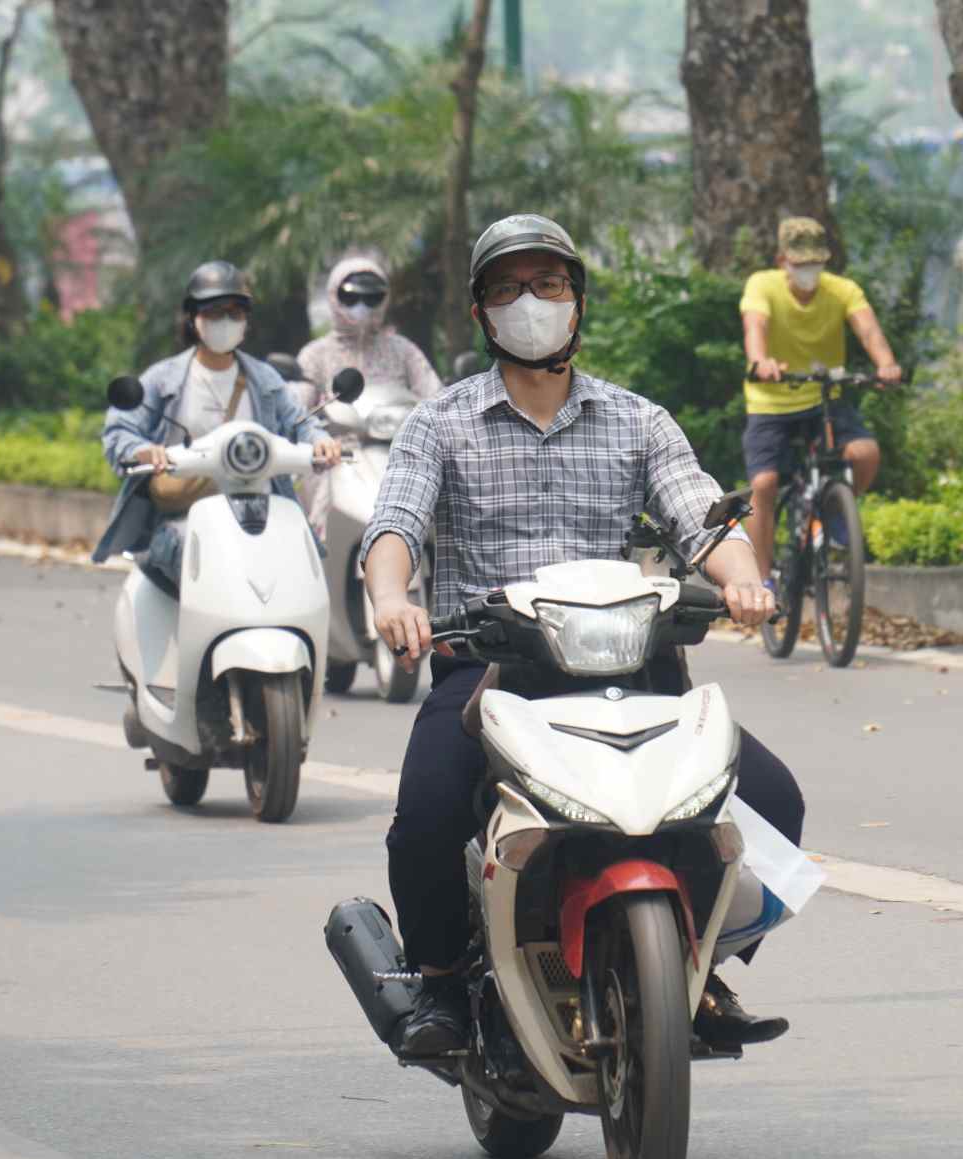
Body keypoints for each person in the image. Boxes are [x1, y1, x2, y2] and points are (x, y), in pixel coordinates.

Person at [362, 213, 803, 1058]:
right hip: (491, 677)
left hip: (631, 669)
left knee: (773, 805)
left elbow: (701, 518)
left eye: (549, 285)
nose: (532, 303)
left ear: (579, 302)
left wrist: (742, 576)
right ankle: (445, 988)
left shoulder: (638, 420)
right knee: (424, 817)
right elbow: (395, 526)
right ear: (482, 313)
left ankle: (699, 965)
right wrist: (392, 597)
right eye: (508, 288)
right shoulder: (440, 423)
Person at [91, 260, 340, 583]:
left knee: (301, 572)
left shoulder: (265, 379)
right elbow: (119, 430)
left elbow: (299, 423)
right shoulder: (162, 379)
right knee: (182, 560)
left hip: (261, 513)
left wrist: (319, 440)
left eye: (235, 313)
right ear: (193, 318)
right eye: (213, 312)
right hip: (184, 518)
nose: (225, 320)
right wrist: (142, 450)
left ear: (246, 322)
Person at [738, 216, 904, 586]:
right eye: (801, 264)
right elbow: (755, 326)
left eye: (816, 263)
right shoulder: (761, 285)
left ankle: (831, 516)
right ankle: (762, 580)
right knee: (763, 485)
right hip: (772, 403)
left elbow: (867, 327)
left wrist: (886, 364)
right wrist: (760, 361)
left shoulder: (842, 290)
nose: (809, 271)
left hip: (824, 397)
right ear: (783, 260)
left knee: (865, 454)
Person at [294, 255, 442, 543]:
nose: (362, 305)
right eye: (351, 298)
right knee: (314, 520)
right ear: (334, 297)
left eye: (371, 297)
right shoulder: (316, 354)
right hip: (338, 457)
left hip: (402, 453)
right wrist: (315, 438)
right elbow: (296, 411)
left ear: (384, 299)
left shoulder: (403, 350)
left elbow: (434, 394)